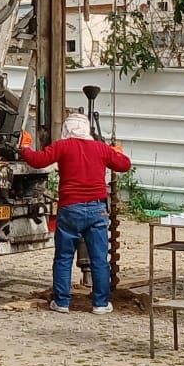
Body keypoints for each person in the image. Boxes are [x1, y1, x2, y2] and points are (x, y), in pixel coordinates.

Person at [21, 111, 132, 315]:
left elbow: (37, 161)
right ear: (87, 129)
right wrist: (117, 152)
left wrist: (25, 147)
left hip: (70, 209)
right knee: (99, 259)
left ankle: (62, 302)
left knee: (63, 257)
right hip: (97, 209)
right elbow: (124, 165)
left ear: (67, 129)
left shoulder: (62, 146)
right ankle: (100, 304)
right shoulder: (101, 148)